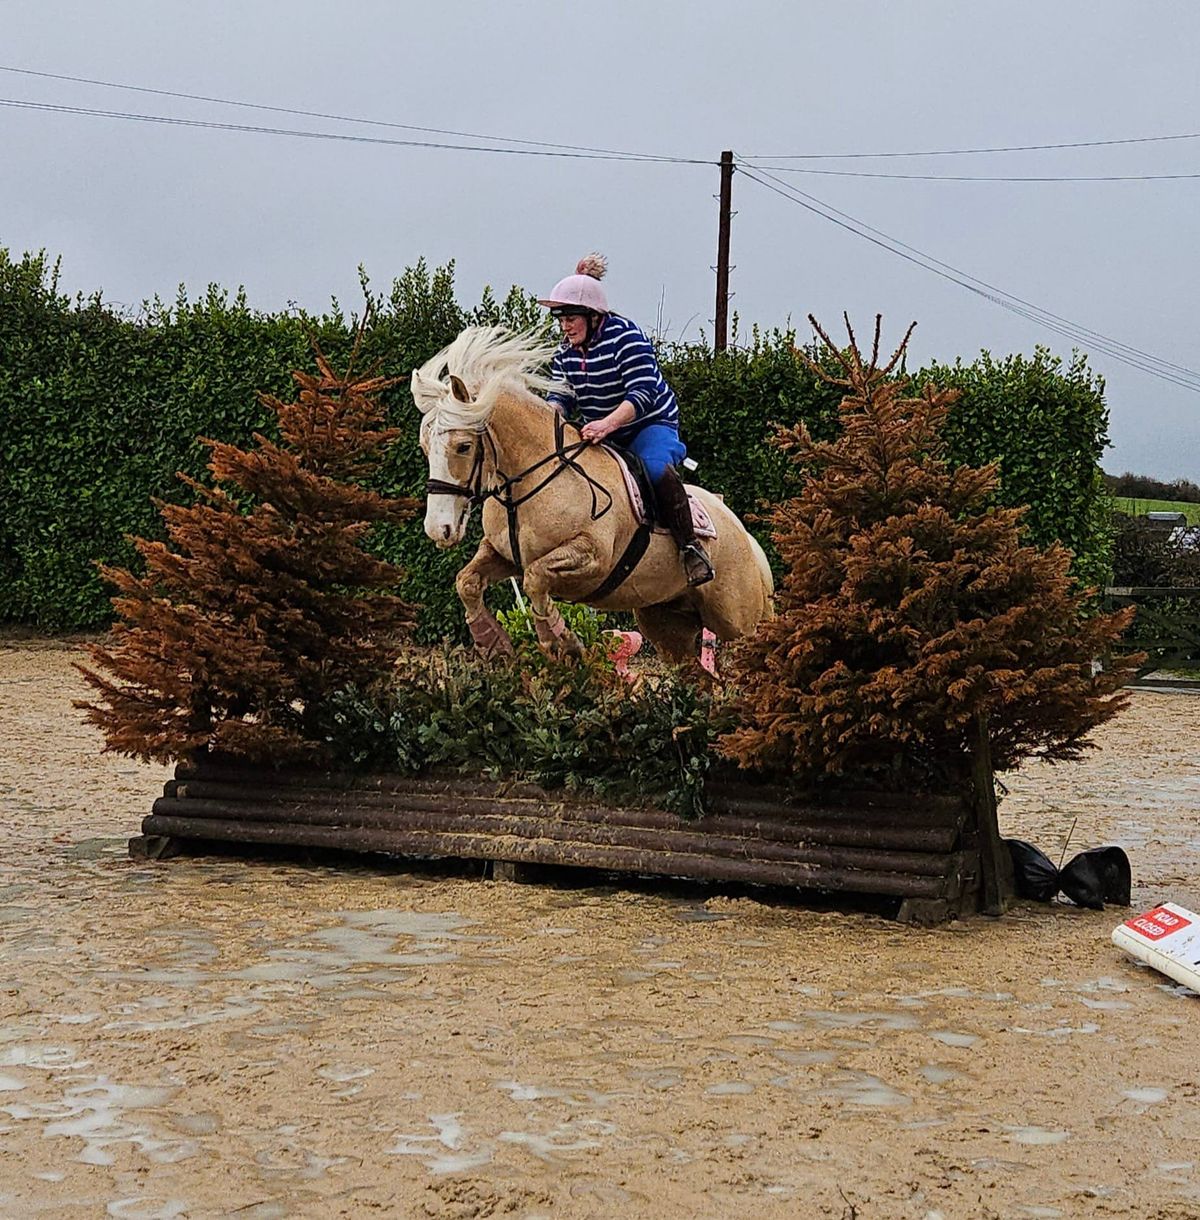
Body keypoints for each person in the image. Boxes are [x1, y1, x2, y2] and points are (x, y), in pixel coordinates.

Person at [538, 253, 714, 587]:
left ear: (592, 316)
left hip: (649, 425)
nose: (565, 325)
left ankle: (690, 547)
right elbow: (561, 396)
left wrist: (607, 425)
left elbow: (642, 395)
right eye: (560, 318)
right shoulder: (565, 351)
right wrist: (549, 418)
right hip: (601, 431)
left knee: (654, 468)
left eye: (571, 317)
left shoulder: (627, 337)